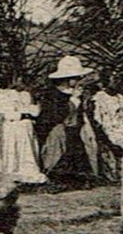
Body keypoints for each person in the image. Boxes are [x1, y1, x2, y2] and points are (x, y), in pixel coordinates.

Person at [37, 56, 100, 186]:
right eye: (75, 78)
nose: (78, 80)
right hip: (58, 131)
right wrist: (73, 101)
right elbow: (55, 115)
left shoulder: (76, 93)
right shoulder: (53, 95)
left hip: (76, 129)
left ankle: (80, 178)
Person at [0, 82, 47, 185]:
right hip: (13, 125)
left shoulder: (25, 94)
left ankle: (27, 174)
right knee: (12, 150)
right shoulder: (0, 94)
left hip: (25, 125)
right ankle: (12, 174)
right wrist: (23, 113)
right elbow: (7, 112)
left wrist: (27, 111)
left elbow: (35, 110)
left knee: (27, 150)